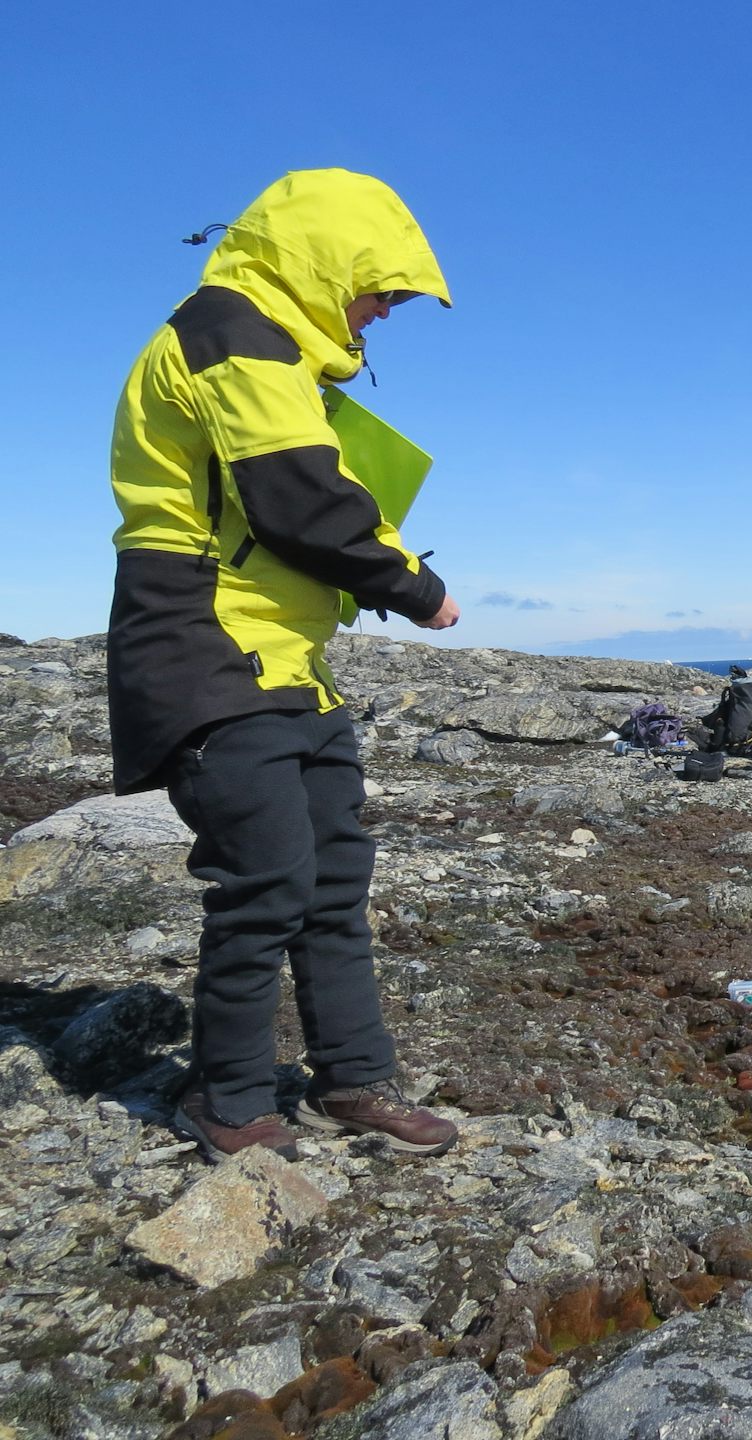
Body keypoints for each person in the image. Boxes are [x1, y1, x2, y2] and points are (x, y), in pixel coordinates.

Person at [108, 169, 461, 1162]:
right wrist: (412, 585)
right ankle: (228, 1100)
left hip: (284, 661)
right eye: (383, 287)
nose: (386, 310)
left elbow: (297, 494)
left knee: (334, 879)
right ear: (327, 259)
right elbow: (295, 498)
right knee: (266, 882)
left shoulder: (279, 356)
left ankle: (352, 1082)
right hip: (202, 654)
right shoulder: (230, 331)